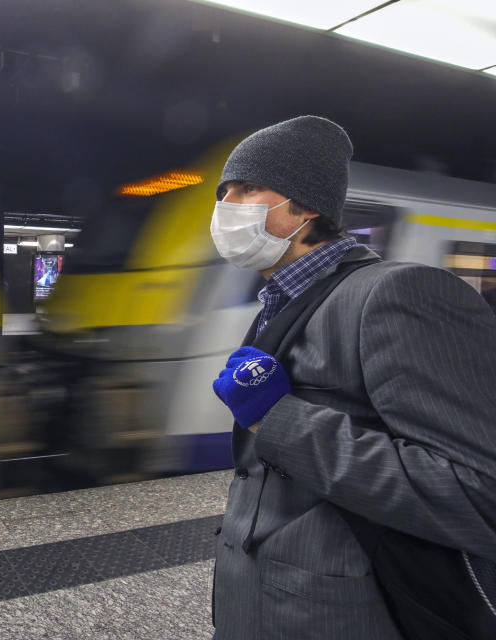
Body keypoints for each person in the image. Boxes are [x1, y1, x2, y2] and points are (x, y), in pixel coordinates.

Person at [207, 115, 496, 639]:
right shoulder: (280, 301)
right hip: (261, 606)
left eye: (248, 189)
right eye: (223, 193)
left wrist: (276, 420)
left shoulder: (398, 294)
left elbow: (480, 494)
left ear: (307, 203)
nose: (227, 208)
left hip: (342, 614)